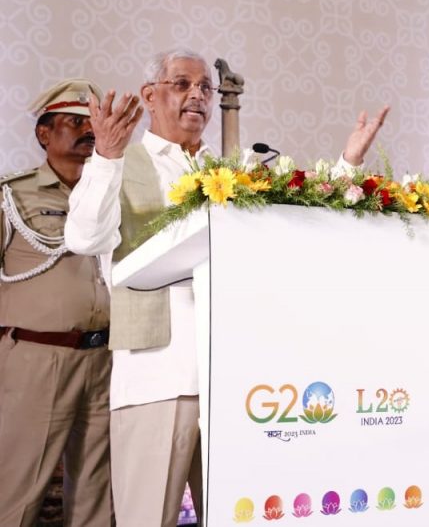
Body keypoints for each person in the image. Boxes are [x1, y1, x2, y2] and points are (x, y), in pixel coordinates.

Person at [64, 48, 389, 526]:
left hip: (236, 378)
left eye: (205, 87)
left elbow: (289, 225)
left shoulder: (229, 170)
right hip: (159, 373)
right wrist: (108, 157)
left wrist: (348, 165)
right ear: (150, 96)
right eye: (182, 84)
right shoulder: (119, 162)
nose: (197, 95)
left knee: (239, 516)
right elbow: (83, 239)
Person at [0, 79, 113, 526]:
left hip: (105, 356)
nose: (88, 130)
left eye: (92, 123)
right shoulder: (12, 194)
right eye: (74, 121)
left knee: (96, 496)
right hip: (36, 356)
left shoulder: (111, 193)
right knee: (18, 491)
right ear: (43, 134)